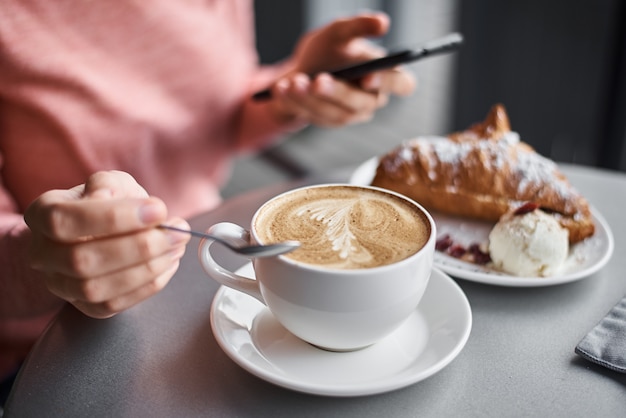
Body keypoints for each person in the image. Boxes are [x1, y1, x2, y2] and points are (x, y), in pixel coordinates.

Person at [0, 0, 416, 397]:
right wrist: (46, 258)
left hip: (195, 289)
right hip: (45, 348)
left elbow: (221, 112)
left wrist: (290, 91)